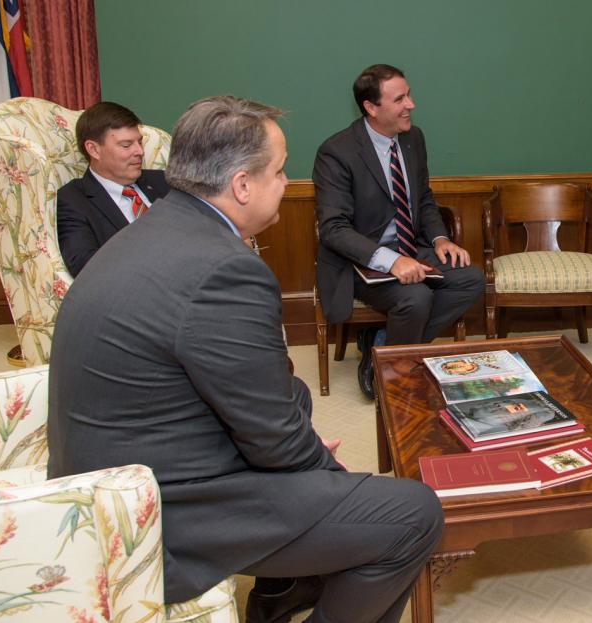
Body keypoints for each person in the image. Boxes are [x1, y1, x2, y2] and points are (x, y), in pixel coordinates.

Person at [47, 96, 443, 623]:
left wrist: (293, 441)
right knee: (411, 513)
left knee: (295, 394)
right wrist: (332, 479)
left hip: (114, 463)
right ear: (241, 185)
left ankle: (284, 590)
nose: (285, 182)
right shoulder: (224, 269)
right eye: (278, 171)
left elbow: (264, 402)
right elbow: (277, 441)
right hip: (151, 510)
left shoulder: (159, 225)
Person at [313, 63, 484, 399]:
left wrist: (440, 238)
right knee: (416, 297)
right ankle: (392, 373)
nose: (411, 105)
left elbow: (423, 197)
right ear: (371, 107)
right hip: (359, 261)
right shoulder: (336, 152)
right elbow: (333, 229)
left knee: (470, 279)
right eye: (400, 99)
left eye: (409, 95)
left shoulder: (412, 139)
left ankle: (383, 346)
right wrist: (390, 261)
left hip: (411, 246)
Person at [56, 101, 169, 277]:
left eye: (139, 142)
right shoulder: (74, 200)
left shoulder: (164, 181)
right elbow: (85, 267)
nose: (139, 151)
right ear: (94, 149)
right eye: (126, 145)